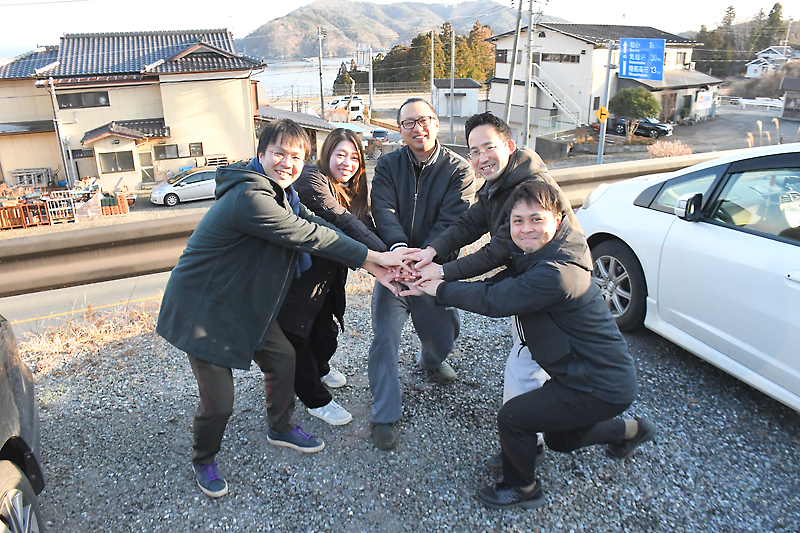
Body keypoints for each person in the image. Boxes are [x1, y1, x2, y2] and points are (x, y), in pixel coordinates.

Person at [156, 119, 411, 498]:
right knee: (220, 403)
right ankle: (203, 458)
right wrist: (375, 258)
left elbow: (317, 223)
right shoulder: (250, 197)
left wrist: (375, 264)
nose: (287, 163)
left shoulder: (283, 195)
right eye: (279, 153)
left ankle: (280, 427)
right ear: (261, 154)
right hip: (205, 310)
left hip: (246, 303)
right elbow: (308, 235)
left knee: (283, 358)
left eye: (296, 157)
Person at [406, 180, 655, 510]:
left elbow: (497, 299)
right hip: (583, 375)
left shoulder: (559, 271)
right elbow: (501, 283)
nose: (526, 229)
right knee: (560, 438)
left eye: (536, 219)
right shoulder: (540, 254)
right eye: (517, 221)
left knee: (514, 418)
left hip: (599, 384)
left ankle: (522, 488)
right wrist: (435, 279)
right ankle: (632, 430)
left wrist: (439, 290)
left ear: (557, 219)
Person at [407, 111, 581, 467]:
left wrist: (442, 273)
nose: (481, 157)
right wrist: (431, 251)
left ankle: (524, 452)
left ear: (509, 146)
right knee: (547, 365)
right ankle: (607, 428)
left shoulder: (531, 188)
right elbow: (470, 224)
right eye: (474, 151)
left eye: (489, 147)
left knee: (525, 365)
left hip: (549, 287)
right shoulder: (499, 182)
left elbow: (498, 250)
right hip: (532, 283)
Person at [368, 97, 476, 450]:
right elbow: (383, 209)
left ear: (436, 123)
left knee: (444, 335)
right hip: (394, 269)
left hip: (434, 269)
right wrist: (399, 250)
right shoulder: (388, 164)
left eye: (424, 120)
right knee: (384, 339)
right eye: (409, 123)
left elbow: (454, 221)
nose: (418, 128)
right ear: (399, 130)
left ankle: (431, 361)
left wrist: (428, 258)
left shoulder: (459, 169)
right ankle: (385, 414)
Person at [277, 128, 386, 426]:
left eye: (354, 157)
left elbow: (364, 225)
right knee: (299, 336)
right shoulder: (311, 179)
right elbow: (343, 220)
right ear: (327, 154)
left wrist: (397, 252)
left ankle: (320, 369)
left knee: (325, 332)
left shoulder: (350, 188)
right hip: (300, 278)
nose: (348, 163)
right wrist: (386, 258)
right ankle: (315, 400)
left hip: (328, 278)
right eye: (341, 155)